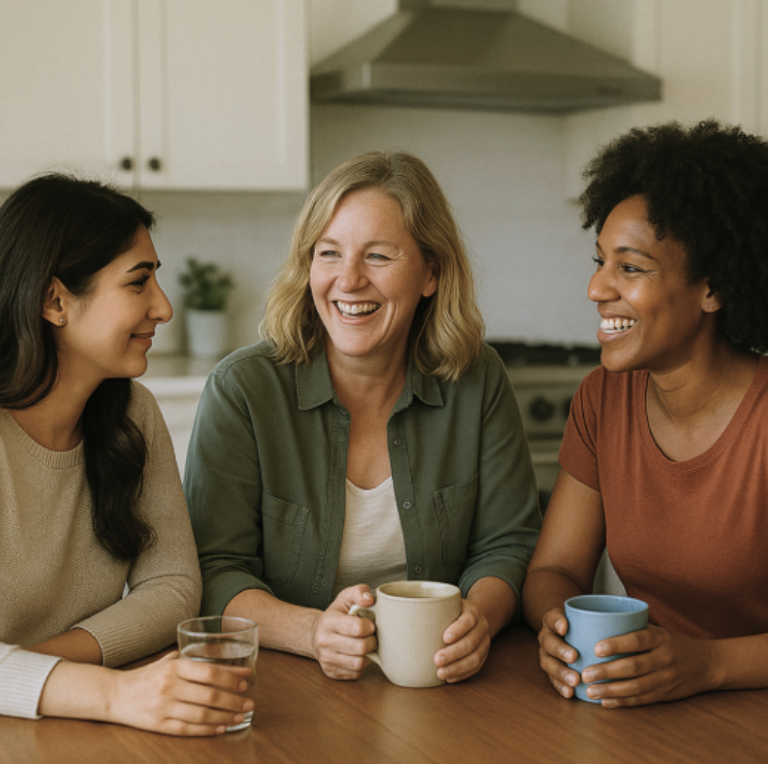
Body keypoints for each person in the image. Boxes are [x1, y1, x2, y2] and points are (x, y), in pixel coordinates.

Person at [185, 150, 540, 683]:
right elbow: (214, 570)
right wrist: (310, 632)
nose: (348, 281)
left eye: (378, 256)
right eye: (329, 254)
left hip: (442, 681)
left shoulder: (476, 377)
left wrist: (479, 618)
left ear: (430, 272)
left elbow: (507, 544)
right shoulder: (242, 390)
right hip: (288, 682)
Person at [522, 120, 768, 706]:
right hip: (650, 711)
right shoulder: (603, 400)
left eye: (630, 268)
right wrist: (558, 631)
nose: (595, 288)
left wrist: (708, 664)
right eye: (600, 260)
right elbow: (553, 569)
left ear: (713, 288)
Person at [0, 174, 253, 735]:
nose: (163, 308)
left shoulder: (131, 413)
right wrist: (108, 692)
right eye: (138, 284)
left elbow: (173, 588)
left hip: (53, 721)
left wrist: (33, 670)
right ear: (55, 300)